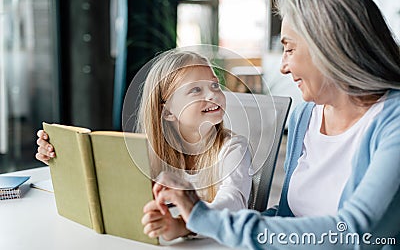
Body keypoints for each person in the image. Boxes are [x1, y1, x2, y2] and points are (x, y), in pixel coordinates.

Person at [148, 0, 400, 249]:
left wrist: (204, 216)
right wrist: (191, 225)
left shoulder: (392, 121)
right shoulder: (305, 116)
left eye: (289, 49)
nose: (282, 66)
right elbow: (291, 215)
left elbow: (353, 233)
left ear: (329, 47)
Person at [36, 50, 253, 241]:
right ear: (167, 111)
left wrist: (182, 228)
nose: (213, 94)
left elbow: (233, 203)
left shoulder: (233, 148)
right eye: (196, 90)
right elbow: (103, 187)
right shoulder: (149, 152)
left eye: (214, 85)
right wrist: (59, 158)